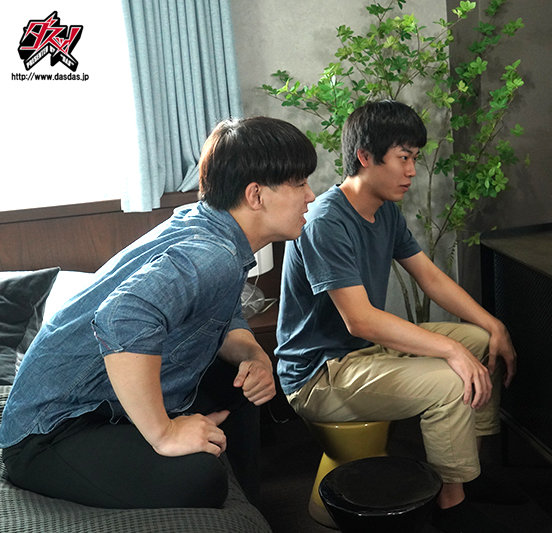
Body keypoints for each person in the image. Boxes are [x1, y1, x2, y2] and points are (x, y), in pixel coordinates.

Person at [0, 116, 317, 508]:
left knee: (237, 383)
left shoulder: (209, 227)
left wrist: (253, 355)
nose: (311, 195)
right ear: (256, 195)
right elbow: (121, 317)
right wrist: (164, 433)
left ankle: (254, 505)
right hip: (50, 431)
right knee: (202, 477)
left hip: (98, 405)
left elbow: (221, 313)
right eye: (299, 183)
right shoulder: (212, 253)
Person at [275, 100, 519, 533]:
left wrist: (493, 324)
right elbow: (360, 320)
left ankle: (469, 474)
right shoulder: (326, 221)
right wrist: (450, 352)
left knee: (479, 342)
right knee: (451, 378)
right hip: (320, 373)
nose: (412, 171)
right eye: (403, 158)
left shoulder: (384, 209)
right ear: (365, 157)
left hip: (363, 351)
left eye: (414, 159)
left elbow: (430, 277)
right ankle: (451, 505)